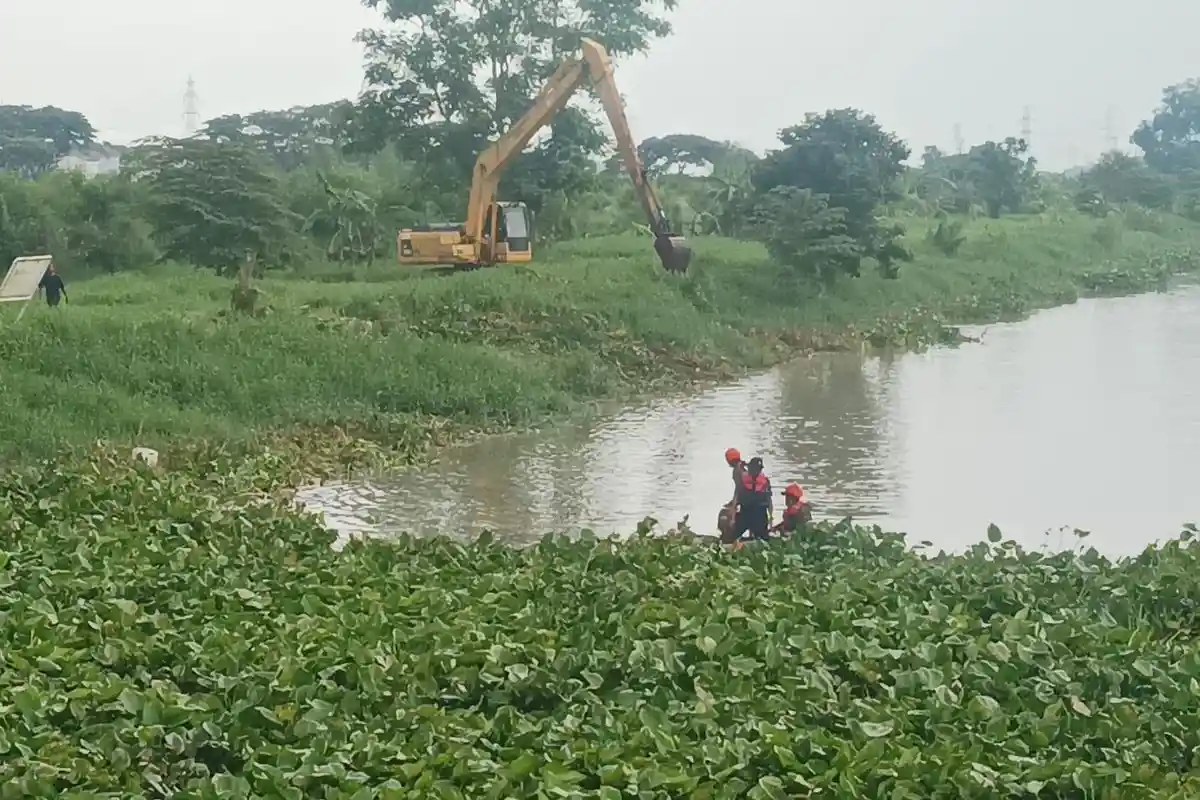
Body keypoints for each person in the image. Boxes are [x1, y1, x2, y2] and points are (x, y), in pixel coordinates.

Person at [732, 457, 772, 542]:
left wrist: (771, 518)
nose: (756, 471)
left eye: (759, 469)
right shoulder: (742, 480)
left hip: (759, 514)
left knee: (763, 539)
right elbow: (736, 497)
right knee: (732, 537)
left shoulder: (765, 482)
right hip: (745, 513)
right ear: (750, 467)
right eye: (754, 468)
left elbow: (769, 501)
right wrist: (732, 516)